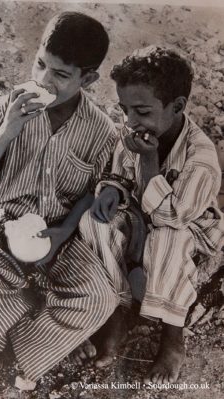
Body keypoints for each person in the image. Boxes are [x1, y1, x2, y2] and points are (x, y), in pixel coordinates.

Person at [0, 12, 120, 384]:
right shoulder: (8, 106)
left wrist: (64, 233)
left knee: (100, 298)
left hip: (58, 231)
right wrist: (7, 132)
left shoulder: (101, 130)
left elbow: (91, 192)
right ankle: (33, 325)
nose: (42, 80)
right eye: (40, 64)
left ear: (88, 79)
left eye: (59, 75)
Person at [77, 45, 224, 383]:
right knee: (94, 222)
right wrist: (112, 190)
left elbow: (173, 216)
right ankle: (118, 311)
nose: (129, 121)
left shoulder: (200, 157)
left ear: (177, 107)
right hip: (143, 216)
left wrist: (148, 162)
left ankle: (172, 338)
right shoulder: (135, 132)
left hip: (188, 229)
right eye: (124, 109)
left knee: (169, 240)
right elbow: (119, 172)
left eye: (141, 111)